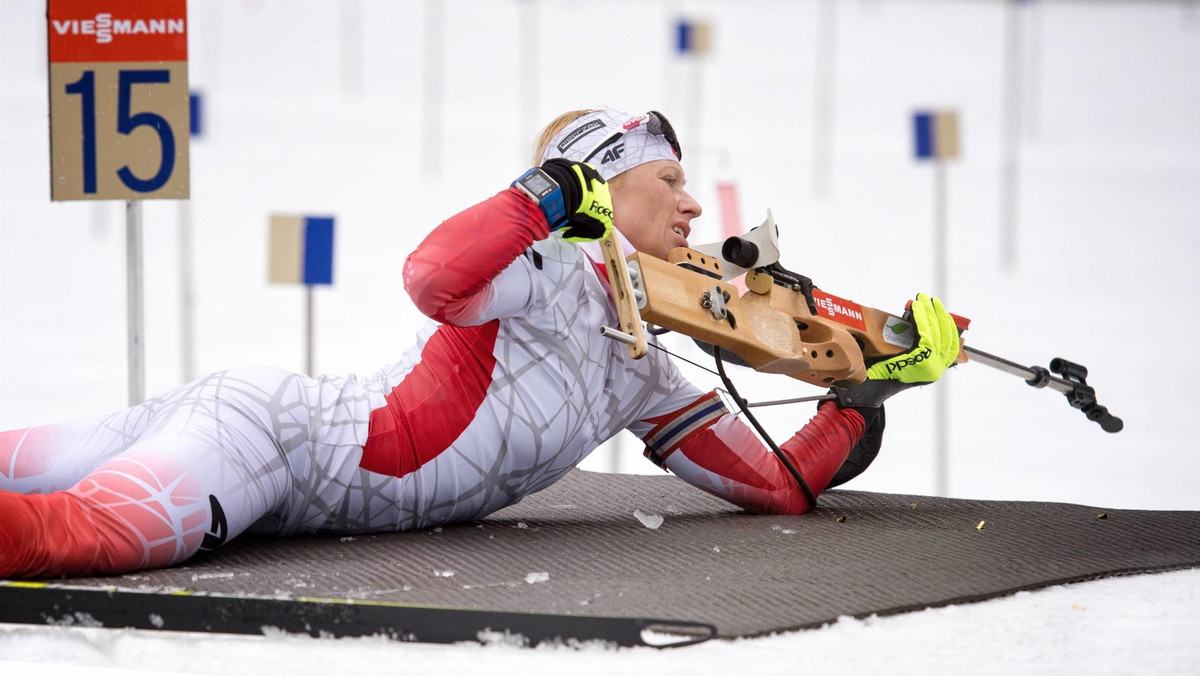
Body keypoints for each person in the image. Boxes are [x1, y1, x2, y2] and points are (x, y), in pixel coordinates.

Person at [0, 108, 959, 579]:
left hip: (278, 478)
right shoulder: (544, 270)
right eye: (666, 180)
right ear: (605, 191)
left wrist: (861, 391)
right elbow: (432, 277)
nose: (695, 203)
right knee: (69, 536)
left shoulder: (646, 369)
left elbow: (777, 489)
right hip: (269, 441)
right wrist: (540, 199)